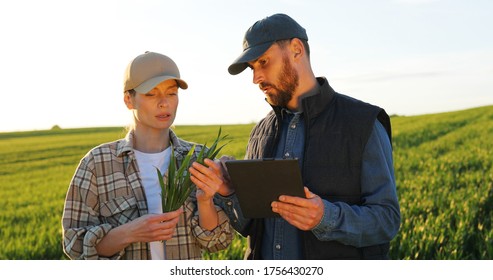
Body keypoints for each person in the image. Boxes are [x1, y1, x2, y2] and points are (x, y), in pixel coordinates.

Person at [189, 13, 400, 259]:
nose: (256, 78)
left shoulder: (362, 123)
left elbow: (387, 220)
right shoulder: (260, 132)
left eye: (263, 62)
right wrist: (228, 192)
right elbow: (251, 224)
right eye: (252, 68)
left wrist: (325, 217)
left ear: (297, 50)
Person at [61, 51, 233, 260]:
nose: (164, 103)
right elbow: (75, 246)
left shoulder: (199, 159)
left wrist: (205, 201)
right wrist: (130, 233)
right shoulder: (97, 164)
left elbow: (217, 242)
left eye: (171, 93)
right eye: (151, 94)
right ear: (128, 100)